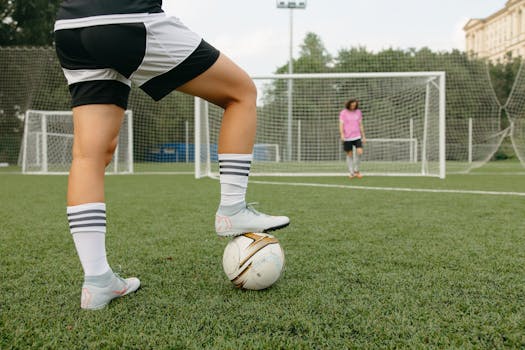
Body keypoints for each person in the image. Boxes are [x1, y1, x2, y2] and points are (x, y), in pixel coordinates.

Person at [54, 1, 290, 310]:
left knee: (90, 156)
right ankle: (232, 208)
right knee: (241, 93)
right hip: (125, 18)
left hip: (70, 26)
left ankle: (98, 282)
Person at [339, 98, 366, 178]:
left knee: (360, 152)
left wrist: (363, 136)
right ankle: (351, 172)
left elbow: (360, 124)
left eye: (355, 105)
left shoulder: (358, 112)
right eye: (352, 105)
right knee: (349, 155)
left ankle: (356, 170)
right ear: (349, 105)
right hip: (347, 137)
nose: (353, 106)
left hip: (357, 136)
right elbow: (341, 124)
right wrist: (342, 134)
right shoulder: (343, 113)